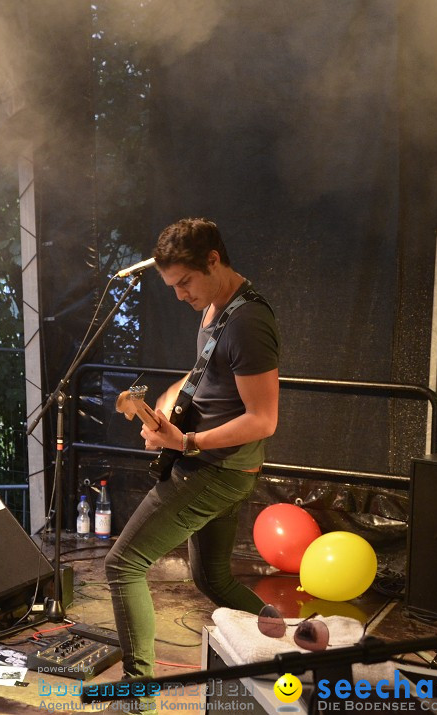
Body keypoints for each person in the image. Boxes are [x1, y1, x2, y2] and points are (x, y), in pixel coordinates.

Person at [104, 218, 279, 711]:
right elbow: (205, 373)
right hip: (212, 464)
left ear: (214, 261)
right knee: (213, 580)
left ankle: (136, 698)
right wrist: (165, 406)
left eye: (185, 283)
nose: (180, 296)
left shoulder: (249, 322)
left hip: (215, 471)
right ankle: (287, 642)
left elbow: (264, 419)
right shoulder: (215, 309)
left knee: (122, 564)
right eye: (172, 287)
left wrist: (189, 441)